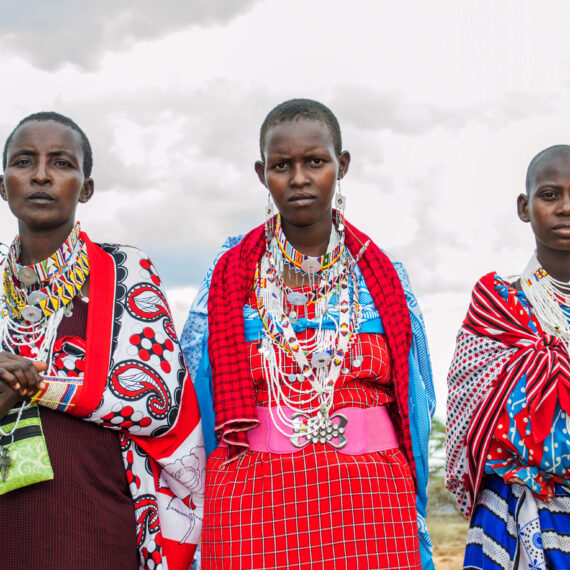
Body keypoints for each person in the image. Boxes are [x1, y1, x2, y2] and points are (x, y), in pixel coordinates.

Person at [181, 99, 435, 569]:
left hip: (373, 496)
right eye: (282, 165)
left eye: (315, 162)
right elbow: (197, 394)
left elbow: (417, 400)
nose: (298, 178)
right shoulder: (229, 276)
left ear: (342, 165)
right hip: (252, 496)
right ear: (262, 174)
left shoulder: (384, 276)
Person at [0, 112, 205, 569]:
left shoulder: (124, 274)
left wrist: (30, 385)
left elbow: (157, 400)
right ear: (3, 184)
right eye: (23, 161)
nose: (40, 175)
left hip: (91, 517)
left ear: (86, 188)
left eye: (60, 163)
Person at [446, 145, 570, 569]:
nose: (565, 208)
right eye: (550, 195)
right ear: (524, 206)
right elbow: (470, 404)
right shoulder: (497, 306)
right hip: (514, 510)